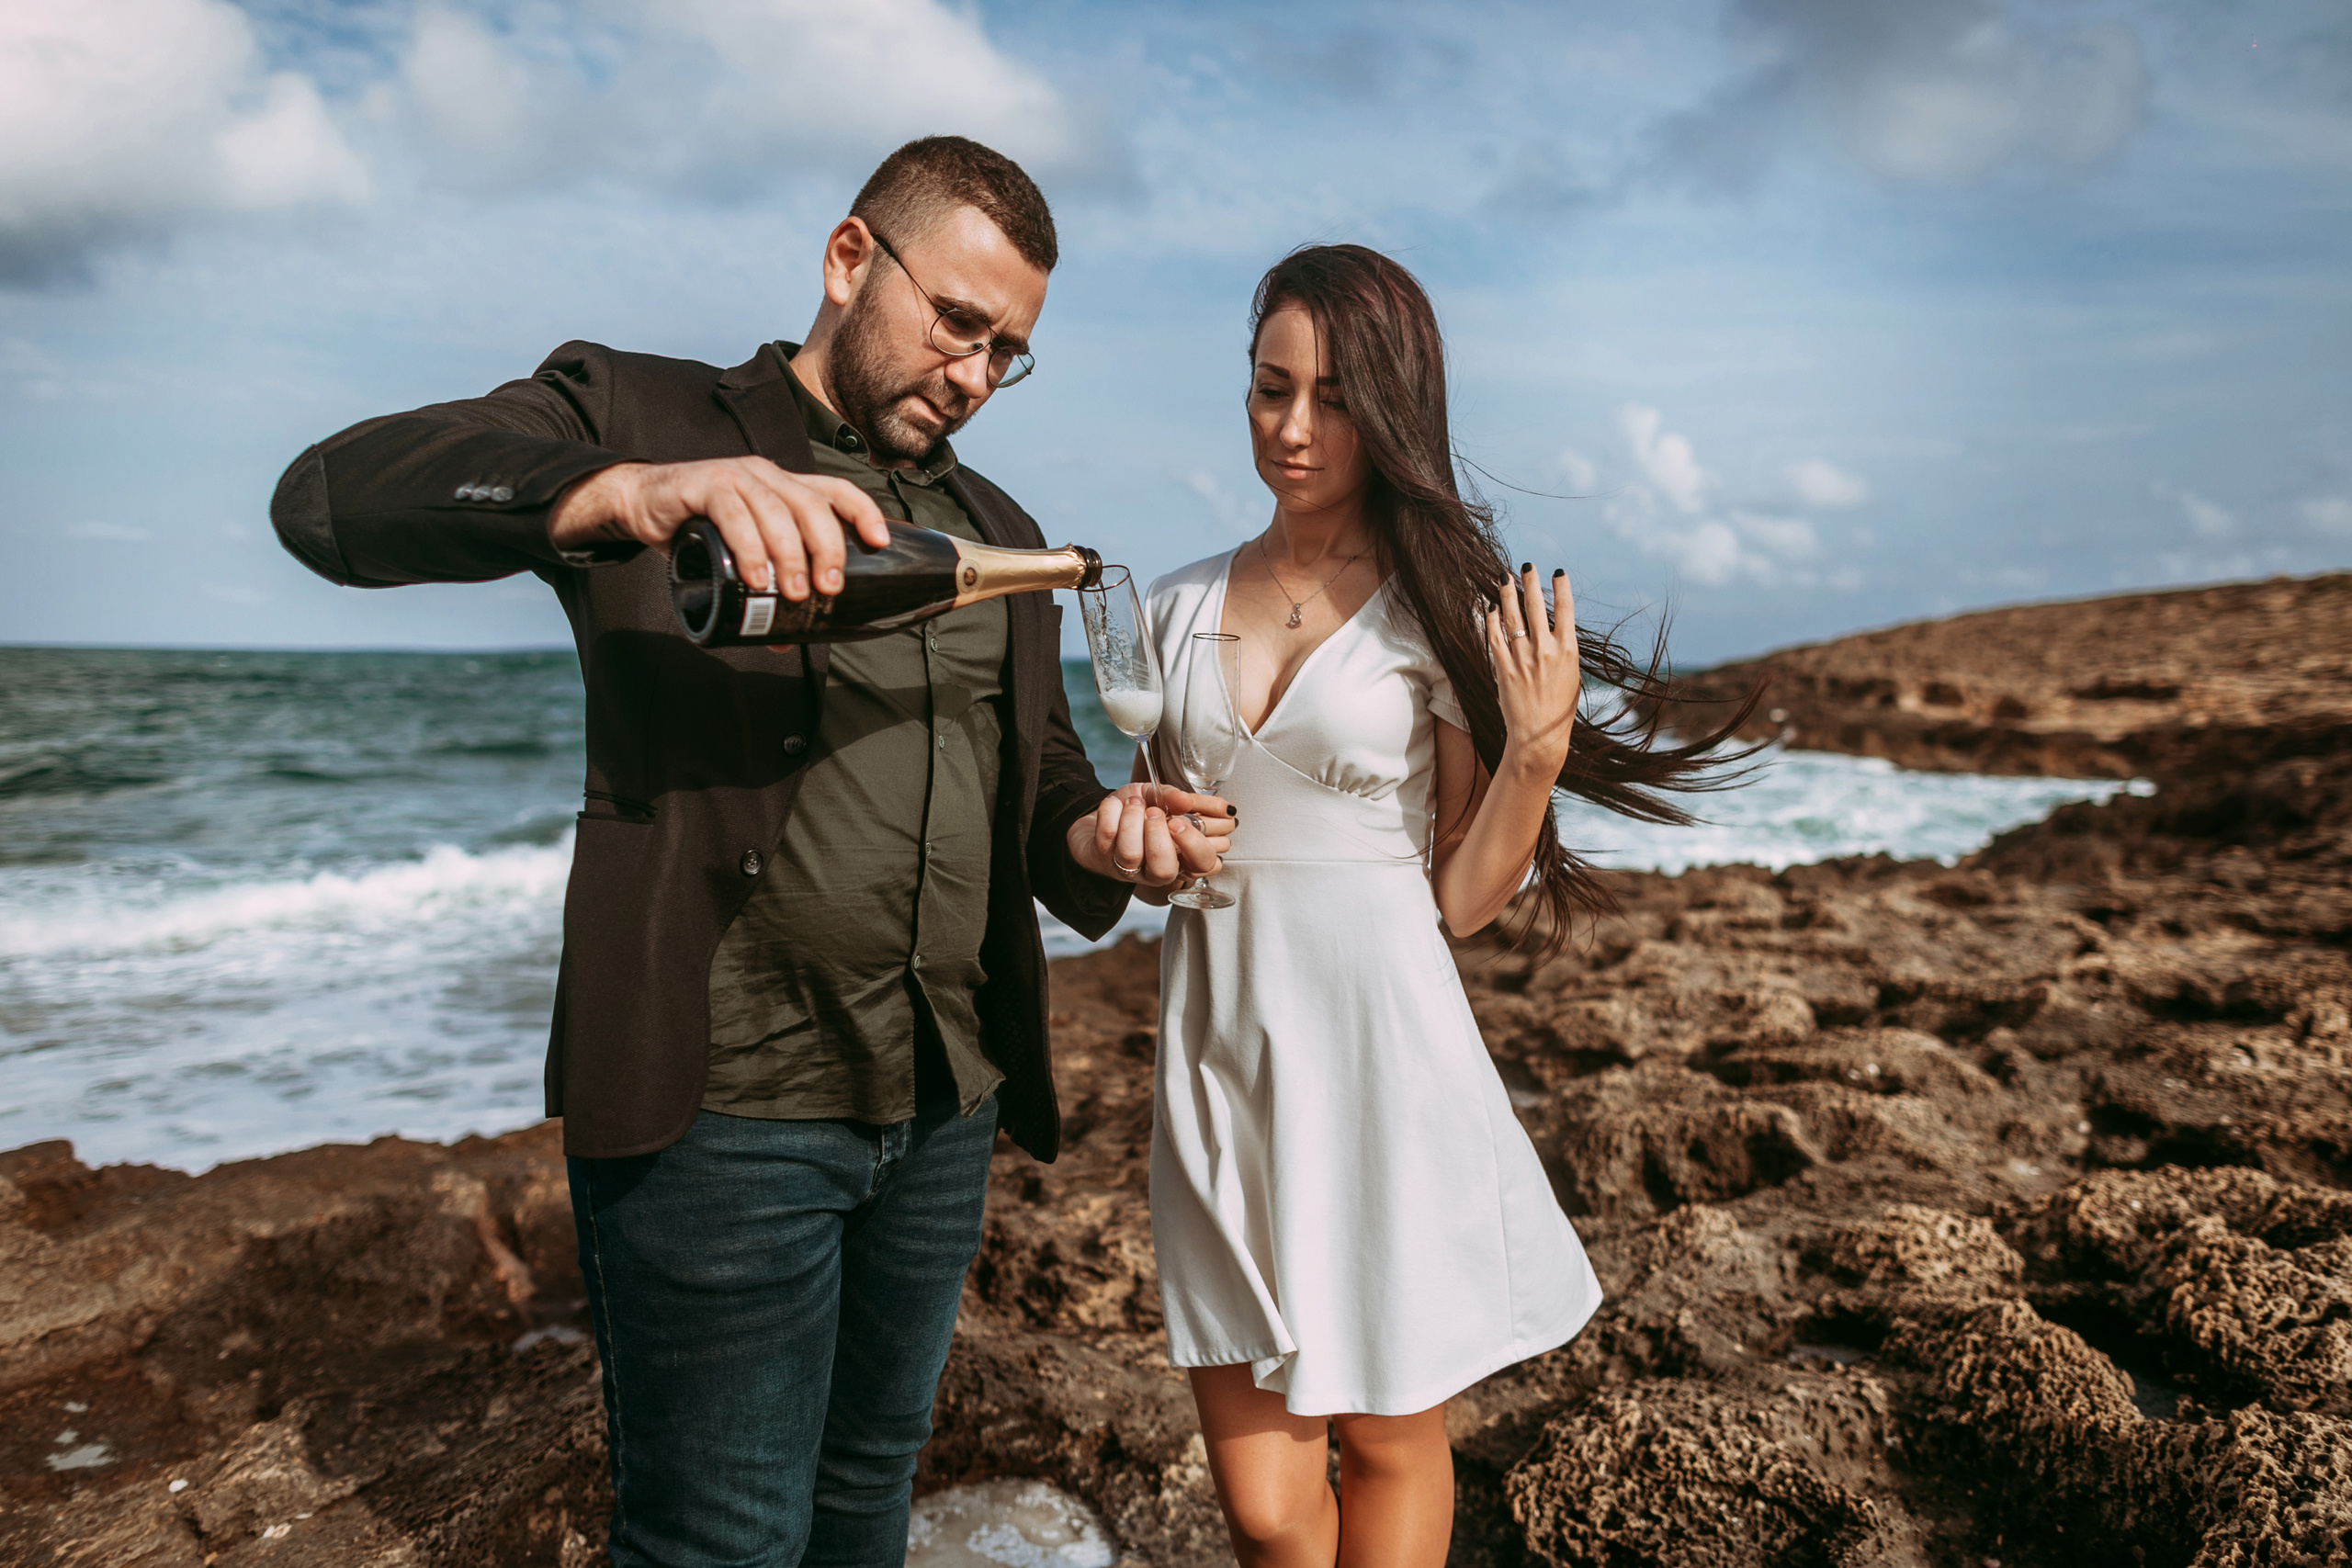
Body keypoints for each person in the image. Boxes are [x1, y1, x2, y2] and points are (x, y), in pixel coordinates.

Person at [268, 136, 1233, 1567]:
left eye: (1008, 351)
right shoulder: (639, 410)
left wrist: (1100, 834)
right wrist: (632, 493)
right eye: (957, 324)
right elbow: (331, 499)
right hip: (724, 1117)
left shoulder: (1001, 533)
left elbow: (1033, 783)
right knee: (717, 1540)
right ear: (850, 259)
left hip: (942, 1107)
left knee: (866, 1504)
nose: (973, 375)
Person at [1136, 245, 1753, 1567]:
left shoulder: (1440, 612)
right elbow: (1155, 827)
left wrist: (1534, 754)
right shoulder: (1174, 606)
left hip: (1380, 1060)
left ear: (1396, 411)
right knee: (1262, 1510)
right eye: (1270, 388)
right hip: (1218, 1059)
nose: (1295, 428)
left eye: (1337, 398)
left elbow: (1461, 901)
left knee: (1388, 1443)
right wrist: (1142, 845)